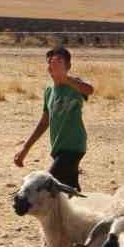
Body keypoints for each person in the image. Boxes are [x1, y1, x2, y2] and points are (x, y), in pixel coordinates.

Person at [14, 46, 95, 191]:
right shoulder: (49, 90)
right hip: (58, 147)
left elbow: (89, 89)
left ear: (68, 66)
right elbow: (44, 122)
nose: (53, 64)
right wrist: (25, 149)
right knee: (70, 190)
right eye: (50, 62)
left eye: (58, 61)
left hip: (74, 146)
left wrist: (66, 79)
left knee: (47, 185)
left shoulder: (74, 84)